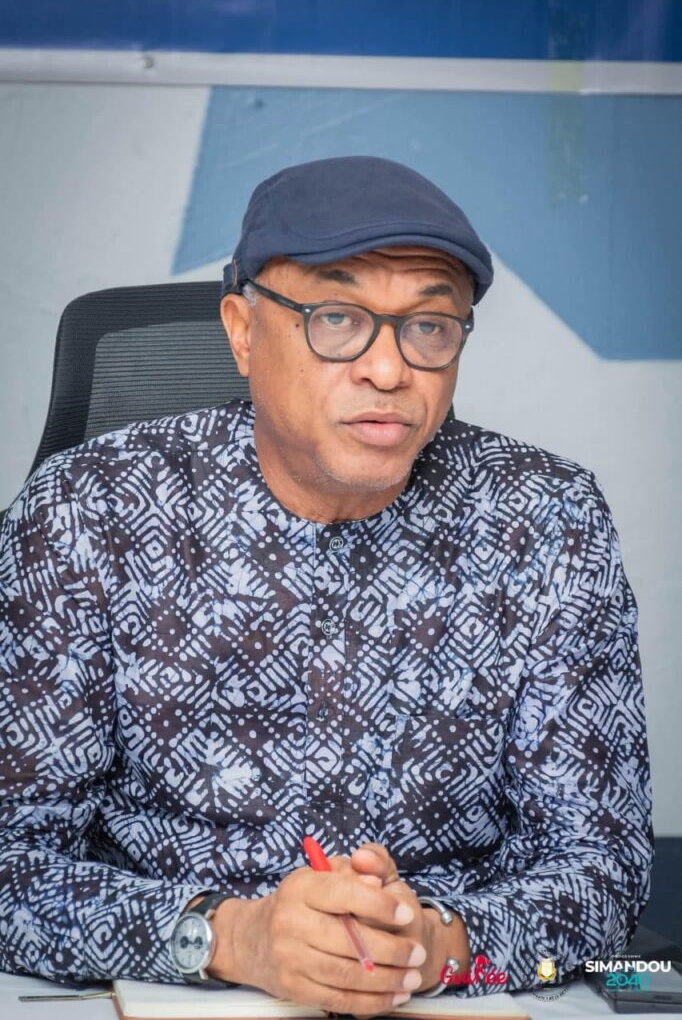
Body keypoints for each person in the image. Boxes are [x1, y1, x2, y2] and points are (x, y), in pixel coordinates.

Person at [0, 156, 652, 1015]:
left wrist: (436, 948)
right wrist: (229, 937)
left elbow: (602, 867)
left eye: (429, 326)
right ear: (241, 330)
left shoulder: (547, 518)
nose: (389, 370)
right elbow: (10, 859)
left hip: (448, 996)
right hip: (163, 988)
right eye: (337, 319)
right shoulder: (91, 508)